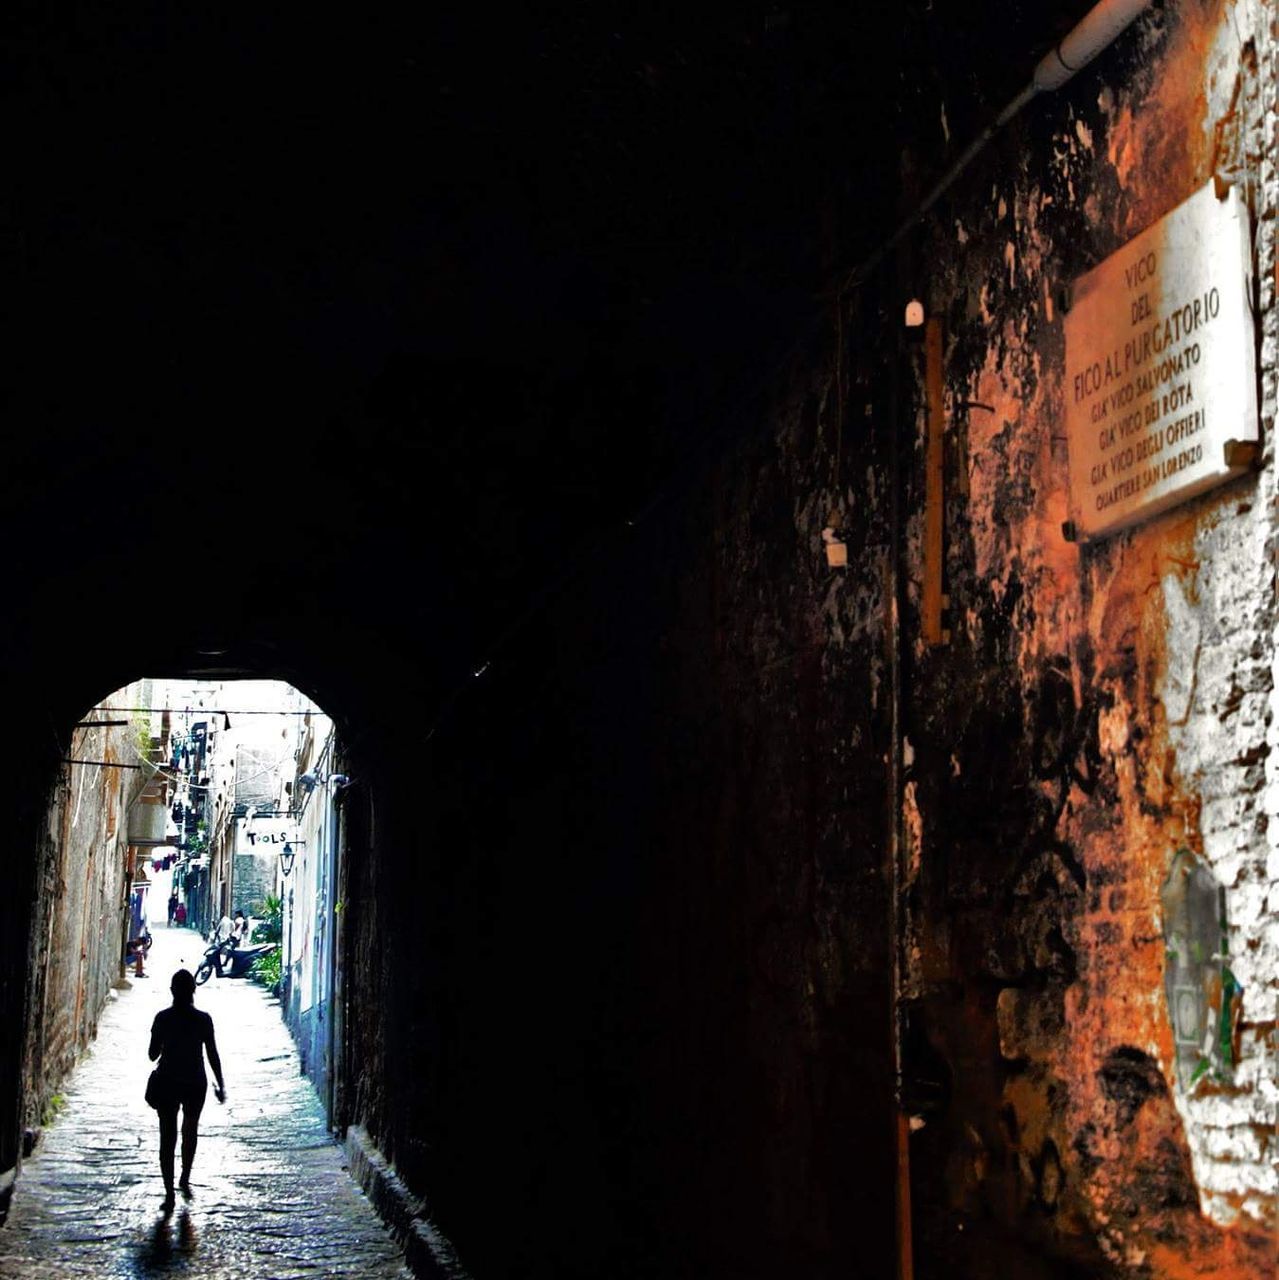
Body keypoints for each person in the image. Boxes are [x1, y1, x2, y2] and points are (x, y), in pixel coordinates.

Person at [148, 968, 226, 1213]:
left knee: (167, 1135)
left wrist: (162, 1038)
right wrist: (221, 1083)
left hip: (168, 1079)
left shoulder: (163, 1018)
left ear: (172, 991)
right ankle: (185, 1176)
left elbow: (152, 1055)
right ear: (194, 990)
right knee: (190, 1128)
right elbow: (212, 1053)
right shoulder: (203, 1019)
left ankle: (169, 1191)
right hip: (195, 1080)